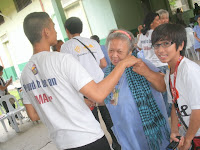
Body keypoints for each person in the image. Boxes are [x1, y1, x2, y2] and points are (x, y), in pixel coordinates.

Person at [21, 12, 138, 150]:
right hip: (88, 138)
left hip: (63, 143)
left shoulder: (25, 73)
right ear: (46, 32)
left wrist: (77, 101)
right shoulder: (61, 59)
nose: (56, 30)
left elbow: (33, 115)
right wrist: (123, 64)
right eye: (53, 27)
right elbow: (99, 94)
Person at [104, 29, 170, 150]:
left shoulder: (141, 64)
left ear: (130, 51)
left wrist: (147, 72)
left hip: (146, 129)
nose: (114, 55)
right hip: (124, 128)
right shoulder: (108, 72)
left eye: (119, 51)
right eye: (111, 50)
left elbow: (163, 87)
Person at [152, 23, 200, 150]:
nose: (160, 50)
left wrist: (188, 140)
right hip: (193, 132)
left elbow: (198, 110)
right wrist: (174, 130)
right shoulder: (170, 72)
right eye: (157, 45)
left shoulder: (189, 71)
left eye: (166, 44)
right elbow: (174, 103)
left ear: (180, 45)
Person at [90, 35, 121, 150]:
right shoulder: (103, 48)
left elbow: (103, 65)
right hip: (110, 85)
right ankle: (117, 141)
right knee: (111, 115)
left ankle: (116, 142)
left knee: (106, 115)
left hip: (104, 85)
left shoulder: (104, 51)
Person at [137, 12, 170, 116]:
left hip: (149, 67)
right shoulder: (157, 34)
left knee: (156, 93)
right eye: (157, 20)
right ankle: (167, 115)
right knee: (166, 93)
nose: (160, 21)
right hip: (160, 66)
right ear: (151, 23)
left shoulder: (142, 35)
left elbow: (139, 47)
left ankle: (160, 114)